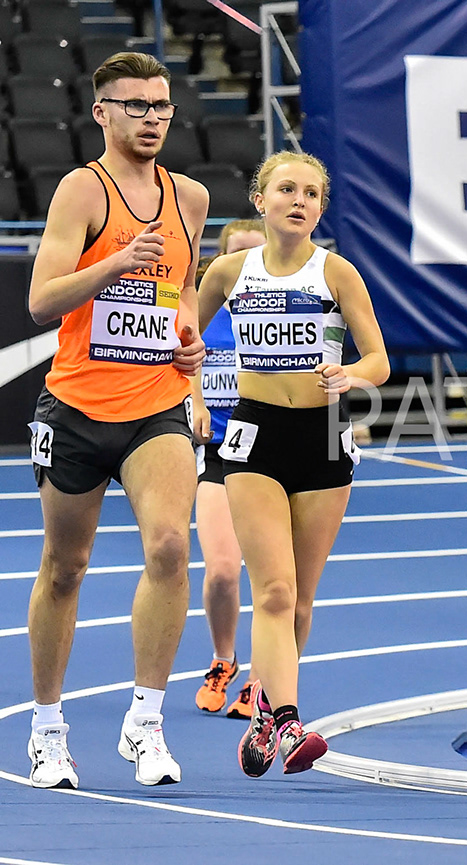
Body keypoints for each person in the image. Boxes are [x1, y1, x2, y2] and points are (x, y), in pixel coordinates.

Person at [24, 52, 209, 789]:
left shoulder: (189, 196)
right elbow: (42, 300)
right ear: (102, 112)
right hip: (75, 405)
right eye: (135, 106)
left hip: (154, 404)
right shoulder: (82, 189)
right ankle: (47, 729)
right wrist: (116, 259)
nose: (152, 118)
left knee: (169, 547)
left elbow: (181, 287)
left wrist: (189, 338)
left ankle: (146, 721)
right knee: (65, 567)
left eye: (161, 105)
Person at [194, 152, 389, 776]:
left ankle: (262, 713)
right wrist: (189, 396)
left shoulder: (337, 273)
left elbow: (380, 360)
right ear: (261, 200)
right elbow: (182, 342)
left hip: (324, 436)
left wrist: (350, 372)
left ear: (320, 209)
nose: (298, 200)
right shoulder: (227, 272)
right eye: (286, 189)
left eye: (311, 193)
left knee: (300, 599)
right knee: (272, 590)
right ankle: (287, 719)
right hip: (253, 436)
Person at [190, 218, 264, 718]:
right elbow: (182, 357)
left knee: (271, 576)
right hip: (218, 449)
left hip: (272, 447)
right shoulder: (201, 304)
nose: (246, 267)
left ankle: (262, 678)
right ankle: (224, 660)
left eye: (255, 256)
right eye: (235, 256)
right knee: (220, 571)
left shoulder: (280, 309)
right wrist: (193, 400)